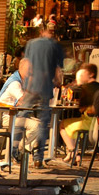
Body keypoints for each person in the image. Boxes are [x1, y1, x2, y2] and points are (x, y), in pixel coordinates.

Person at [13, 26, 64, 168]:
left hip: (31, 85)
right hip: (45, 87)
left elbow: (27, 64)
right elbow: (58, 69)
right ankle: (38, 158)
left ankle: (14, 150)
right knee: (43, 123)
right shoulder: (55, 46)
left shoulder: (32, 44)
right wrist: (57, 81)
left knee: (22, 116)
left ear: (42, 32)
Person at [59, 64, 99, 160]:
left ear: (91, 74)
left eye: (84, 72)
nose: (82, 75)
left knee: (62, 124)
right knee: (71, 123)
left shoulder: (86, 88)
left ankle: (73, 152)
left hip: (89, 121)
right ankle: (72, 153)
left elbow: (81, 108)